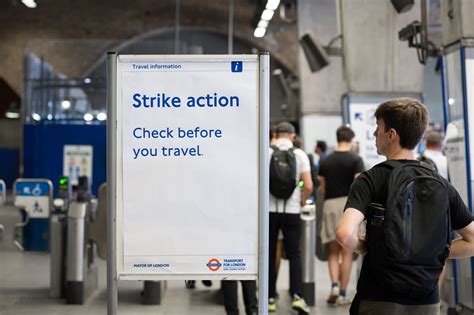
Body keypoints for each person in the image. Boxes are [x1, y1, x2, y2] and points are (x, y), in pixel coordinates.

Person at [336, 98, 474, 315]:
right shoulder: (440, 183)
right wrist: (431, 251)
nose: (374, 134)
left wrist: (367, 246)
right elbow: (472, 240)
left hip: (379, 298)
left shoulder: (370, 179)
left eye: (378, 128)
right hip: (426, 301)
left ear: (391, 135)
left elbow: (344, 234)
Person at [268, 122, 313, 314]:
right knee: (294, 253)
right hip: (292, 210)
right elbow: (308, 185)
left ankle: (269, 297)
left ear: (276, 135)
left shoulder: (267, 152)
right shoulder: (300, 154)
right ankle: (297, 296)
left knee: (270, 253)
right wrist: (302, 200)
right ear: (293, 136)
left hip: (270, 211)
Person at [318, 126, 364, 305]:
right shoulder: (356, 159)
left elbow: (322, 187)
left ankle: (334, 286)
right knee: (347, 252)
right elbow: (359, 185)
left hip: (330, 205)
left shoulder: (326, 160)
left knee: (332, 250)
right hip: (349, 207)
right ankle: (344, 294)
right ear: (351, 140)